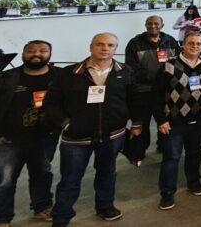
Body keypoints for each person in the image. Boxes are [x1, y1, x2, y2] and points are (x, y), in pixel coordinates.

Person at [45, 33, 145, 225]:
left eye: (110, 45)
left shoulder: (125, 71)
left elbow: (134, 99)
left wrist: (137, 123)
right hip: (76, 138)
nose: (105, 48)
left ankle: (105, 207)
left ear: (116, 49)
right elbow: (51, 104)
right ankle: (62, 216)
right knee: (70, 179)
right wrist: (66, 123)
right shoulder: (69, 73)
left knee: (107, 172)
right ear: (91, 47)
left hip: (112, 135)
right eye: (100, 44)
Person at [0, 40, 60, 226]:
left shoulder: (60, 77)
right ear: (23, 54)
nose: (36, 54)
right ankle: (1, 217)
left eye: (42, 50)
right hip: (7, 140)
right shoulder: (1, 79)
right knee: (4, 181)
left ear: (50, 54)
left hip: (44, 139)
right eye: (31, 50)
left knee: (42, 174)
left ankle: (42, 208)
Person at [152, 32, 201, 210]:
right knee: (171, 158)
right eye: (191, 43)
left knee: (194, 153)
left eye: (199, 44)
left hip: (197, 120)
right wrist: (161, 120)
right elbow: (156, 95)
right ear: (183, 44)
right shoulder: (168, 65)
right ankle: (167, 193)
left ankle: (194, 183)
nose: (195, 46)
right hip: (174, 121)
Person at [123, 15, 180, 167]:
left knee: (166, 119)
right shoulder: (135, 43)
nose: (152, 26)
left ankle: (163, 146)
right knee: (143, 121)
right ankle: (140, 151)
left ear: (162, 25)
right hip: (143, 90)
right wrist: (156, 78)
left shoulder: (171, 41)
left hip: (166, 91)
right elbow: (131, 67)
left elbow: (178, 62)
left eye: (156, 23)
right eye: (149, 23)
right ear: (145, 25)